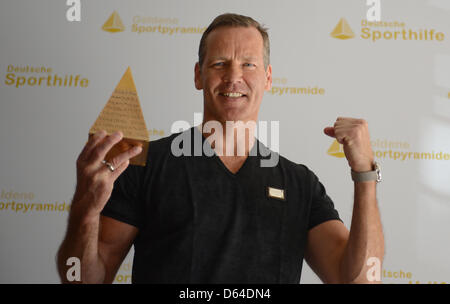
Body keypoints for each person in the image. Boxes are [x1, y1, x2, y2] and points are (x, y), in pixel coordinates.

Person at [57, 13, 384, 284]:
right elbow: (80, 280)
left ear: (268, 78)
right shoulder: (143, 166)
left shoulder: (299, 183)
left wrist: (365, 174)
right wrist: (86, 208)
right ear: (199, 75)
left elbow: (359, 281)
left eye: (249, 65)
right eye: (219, 64)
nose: (233, 77)